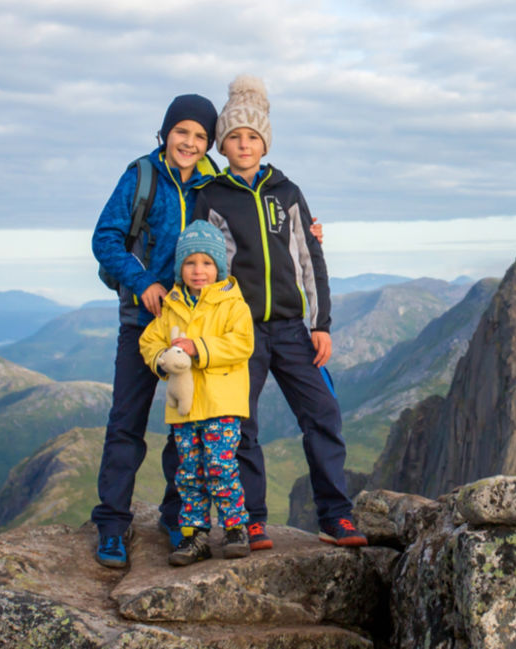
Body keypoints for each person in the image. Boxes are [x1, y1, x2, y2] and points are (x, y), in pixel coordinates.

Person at [193, 75, 367, 548]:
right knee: (241, 423)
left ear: (264, 142)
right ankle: (251, 519)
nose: (244, 144)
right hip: (240, 332)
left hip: (292, 329)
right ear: (223, 145)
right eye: (234, 137)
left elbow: (311, 259)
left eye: (252, 137)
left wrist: (321, 325)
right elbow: (204, 268)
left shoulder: (286, 192)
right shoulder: (211, 197)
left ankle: (335, 516)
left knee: (322, 414)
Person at [89, 94, 221, 568]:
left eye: (200, 136)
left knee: (185, 425)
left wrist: (307, 233)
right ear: (166, 132)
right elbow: (104, 238)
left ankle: (176, 514)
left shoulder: (214, 183)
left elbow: (248, 232)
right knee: (126, 424)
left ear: (209, 143)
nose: (189, 142)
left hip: (190, 326)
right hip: (142, 322)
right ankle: (111, 523)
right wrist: (143, 281)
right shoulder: (141, 176)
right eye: (182, 132)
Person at [139, 222, 254, 566]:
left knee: (220, 467)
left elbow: (242, 343)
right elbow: (149, 341)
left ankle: (236, 529)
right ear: (180, 268)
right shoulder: (172, 306)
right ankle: (195, 536)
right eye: (190, 263)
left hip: (221, 405)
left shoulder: (233, 304)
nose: (198, 270)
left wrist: (197, 348)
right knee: (188, 472)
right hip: (184, 409)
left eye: (206, 263)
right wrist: (163, 359)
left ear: (219, 267)